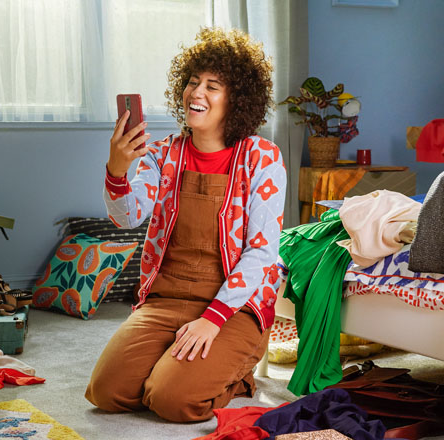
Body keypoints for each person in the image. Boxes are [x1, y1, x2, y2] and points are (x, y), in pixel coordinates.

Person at [85, 27, 287, 422]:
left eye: (213, 86)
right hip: (166, 299)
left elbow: (262, 252)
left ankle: (239, 376)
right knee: (106, 393)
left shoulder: (262, 157)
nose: (197, 93)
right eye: (193, 82)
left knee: (172, 401)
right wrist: (117, 168)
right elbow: (127, 216)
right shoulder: (161, 155)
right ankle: (178, 365)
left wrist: (212, 320)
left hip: (234, 308)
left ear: (237, 100)